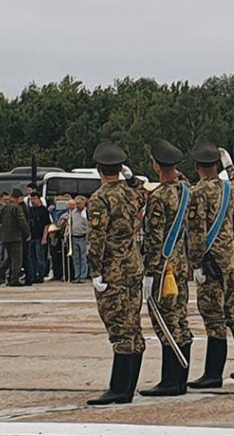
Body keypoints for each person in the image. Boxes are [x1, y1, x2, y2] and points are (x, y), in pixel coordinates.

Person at [186, 141, 234, 389]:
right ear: (216, 165)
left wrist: (195, 263)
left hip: (210, 262)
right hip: (228, 261)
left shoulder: (199, 193)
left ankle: (213, 373)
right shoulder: (228, 188)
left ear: (198, 167)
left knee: (214, 316)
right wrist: (231, 167)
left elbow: (196, 232)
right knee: (233, 311)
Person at [86, 140, 149, 406]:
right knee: (132, 325)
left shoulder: (100, 199)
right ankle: (129, 386)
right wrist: (131, 177)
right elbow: (143, 191)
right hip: (132, 266)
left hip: (112, 268)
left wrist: (94, 271)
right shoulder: (131, 194)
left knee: (119, 327)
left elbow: (96, 238)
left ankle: (119, 389)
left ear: (100, 170)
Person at [141, 139, 194, 398]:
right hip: (181, 263)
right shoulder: (185, 190)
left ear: (156, 165)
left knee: (165, 320)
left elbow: (154, 238)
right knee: (180, 318)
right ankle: (179, 378)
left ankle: (171, 380)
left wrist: (150, 272)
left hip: (164, 269)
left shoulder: (160, 196)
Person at [0, 189, 30, 286]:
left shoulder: (3, 208)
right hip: (15, 237)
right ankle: (14, 279)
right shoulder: (16, 208)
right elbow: (22, 222)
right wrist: (26, 233)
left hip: (5, 237)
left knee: (10, 259)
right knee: (17, 259)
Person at [25, 193, 50, 284]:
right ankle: (33, 275)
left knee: (40, 257)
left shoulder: (44, 210)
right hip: (32, 237)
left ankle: (40, 275)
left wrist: (44, 237)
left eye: (34, 199)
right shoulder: (30, 210)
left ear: (39, 199)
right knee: (32, 258)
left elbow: (46, 225)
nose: (33, 201)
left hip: (40, 237)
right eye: (31, 199)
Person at [68, 196, 90, 282]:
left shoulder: (86, 212)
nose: (77, 205)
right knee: (76, 258)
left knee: (83, 258)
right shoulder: (73, 212)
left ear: (84, 203)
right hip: (74, 237)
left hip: (84, 237)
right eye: (76, 204)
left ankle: (83, 276)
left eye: (79, 203)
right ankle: (77, 276)